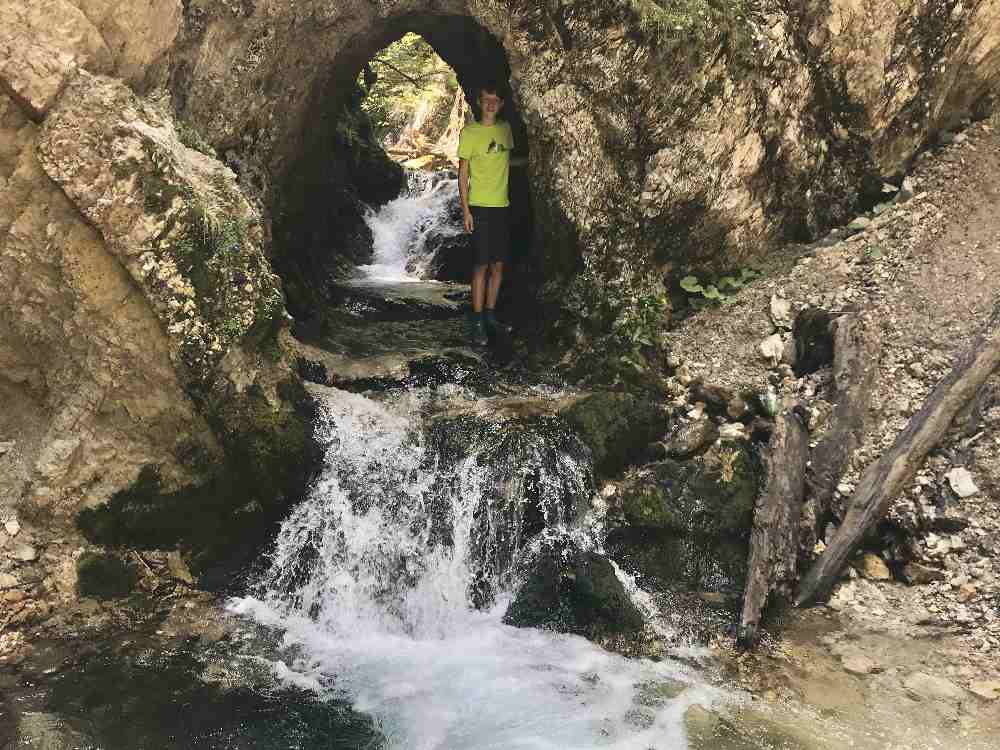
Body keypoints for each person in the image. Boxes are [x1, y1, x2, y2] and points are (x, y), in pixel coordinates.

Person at [457, 79, 525, 346]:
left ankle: (490, 316)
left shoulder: (506, 130)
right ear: (479, 101)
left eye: (495, 101)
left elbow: (507, 162)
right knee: (481, 265)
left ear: (501, 105)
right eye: (486, 99)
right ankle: (476, 321)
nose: (490, 105)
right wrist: (465, 211)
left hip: (502, 207)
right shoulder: (470, 133)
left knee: (498, 266)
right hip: (480, 207)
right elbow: (462, 174)